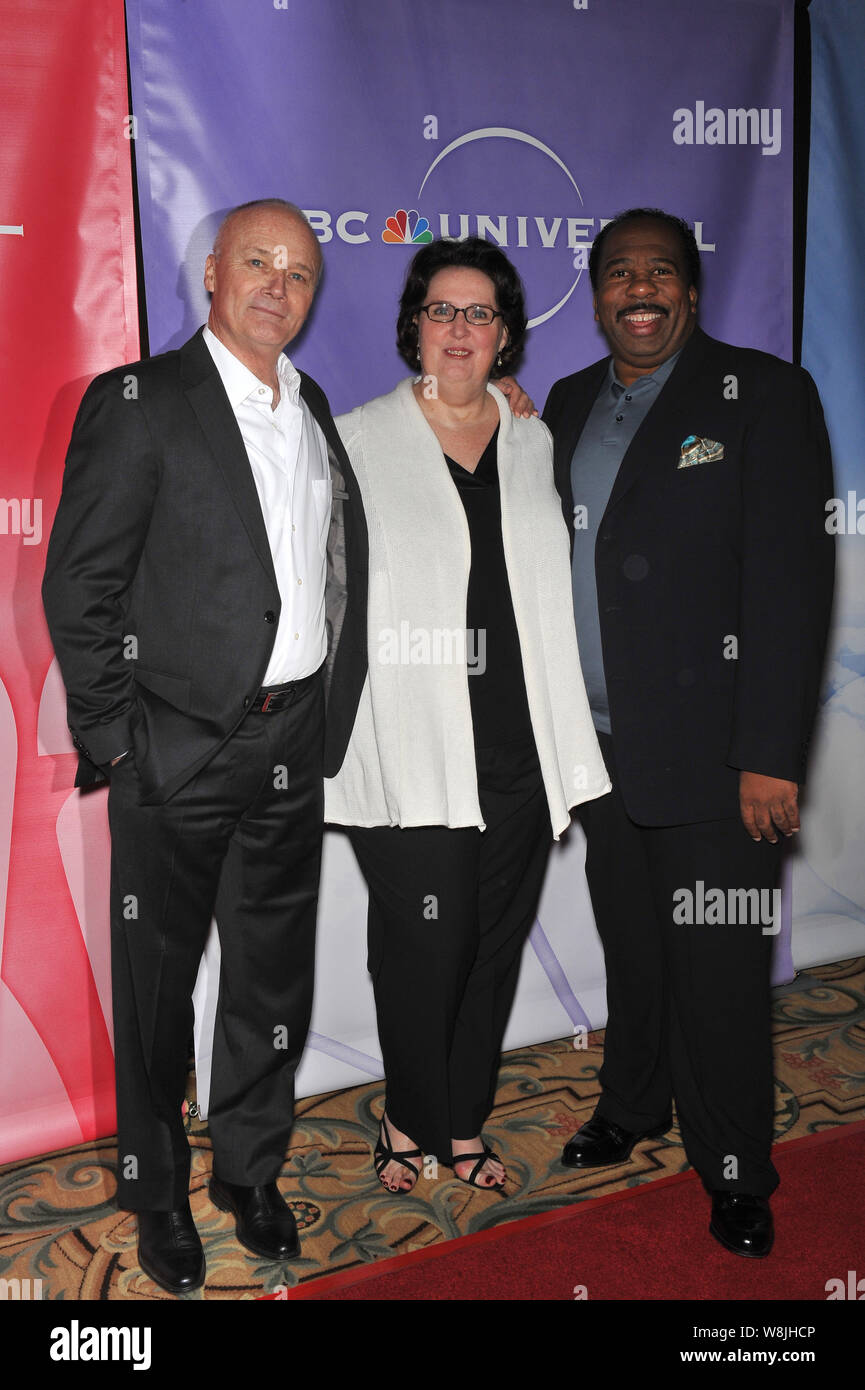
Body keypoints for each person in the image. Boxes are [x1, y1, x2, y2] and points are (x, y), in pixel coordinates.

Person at [42, 199, 369, 1294]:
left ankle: (249, 1169)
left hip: (290, 742)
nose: (281, 287)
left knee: (271, 978)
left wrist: (329, 706)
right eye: (259, 264)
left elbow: (325, 570)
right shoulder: (142, 402)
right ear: (213, 275)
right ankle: (157, 1190)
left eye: (303, 273)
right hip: (173, 752)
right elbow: (79, 582)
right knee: (157, 989)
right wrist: (119, 742)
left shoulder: (311, 405)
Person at [543, 208, 834, 1256]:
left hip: (719, 756)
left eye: (659, 269)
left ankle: (732, 1167)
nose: (639, 286)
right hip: (598, 746)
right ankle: (633, 1104)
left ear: (692, 290)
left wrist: (768, 754)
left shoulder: (762, 394)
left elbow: (791, 587)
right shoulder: (569, 403)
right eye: (618, 270)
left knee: (716, 967)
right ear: (595, 290)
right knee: (633, 946)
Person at [324, 237, 610, 1194]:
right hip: (405, 745)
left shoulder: (533, 441)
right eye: (442, 310)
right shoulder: (358, 439)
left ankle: (460, 1120)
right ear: (413, 326)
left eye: (478, 313)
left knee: (490, 937)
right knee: (427, 939)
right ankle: (408, 1119)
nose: (458, 329)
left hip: (521, 744)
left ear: (504, 336)